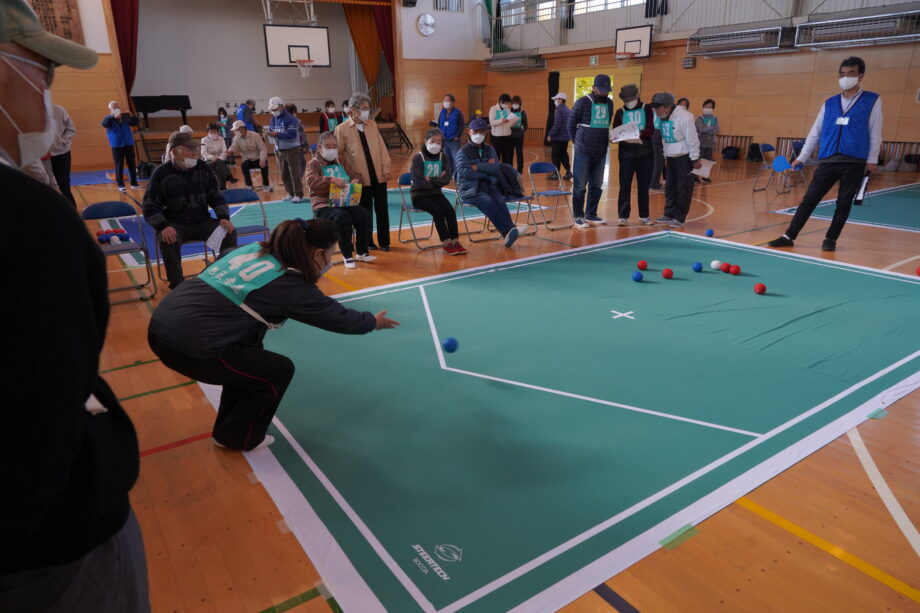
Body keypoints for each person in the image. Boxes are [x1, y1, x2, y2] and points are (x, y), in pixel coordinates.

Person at [0, 2, 149, 611]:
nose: (47, 98)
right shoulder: (26, 220)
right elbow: (48, 397)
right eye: (44, 73)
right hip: (50, 551)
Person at [147, 218, 399, 451]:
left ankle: (228, 430)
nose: (330, 262)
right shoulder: (289, 284)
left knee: (250, 359)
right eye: (330, 255)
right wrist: (371, 322)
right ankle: (240, 438)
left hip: (161, 326)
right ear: (318, 254)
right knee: (276, 371)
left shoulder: (251, 250)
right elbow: (336, 317)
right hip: (191, 347)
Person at [768, 57, 882, 252]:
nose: (846, 77)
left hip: (854, 161)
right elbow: (815, 131)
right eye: (843, 74)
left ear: (860, 76)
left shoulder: (872, 100)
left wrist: (872, 159)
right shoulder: (829, 103)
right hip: (828, 159)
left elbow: (876, 131)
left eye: (851, 74)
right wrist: (801, 157)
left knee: (844, 203)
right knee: (809, 199)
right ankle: (789, 235)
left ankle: (831, 239)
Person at [142, 130, 238, 289]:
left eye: (195, 149)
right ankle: (178, 285)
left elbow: (215, 195)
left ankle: (223, 276)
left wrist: (223, 217)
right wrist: (163, 227)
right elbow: (149, 206)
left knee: (228, 232)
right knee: (167, 240)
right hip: (175, 225)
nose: (194, 153)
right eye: (189, 149)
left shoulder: (202, 168)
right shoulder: (161, 173)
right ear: (174, 152)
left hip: (202, 221)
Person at [305, 131, 374, 269]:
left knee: (364, 215)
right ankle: (347, 255)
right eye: (328, 146)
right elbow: (313, 182)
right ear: (319, 147)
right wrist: (331, 180)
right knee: (342, 217)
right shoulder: (313, 164)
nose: (332, 149)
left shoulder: (341, 160)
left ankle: (362, 251)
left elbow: (356, 175)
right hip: (324, 204)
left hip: (344, 200)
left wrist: (356, 180)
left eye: (334, 146)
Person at [454, 117, 527, 247]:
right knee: (487, 201)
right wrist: (486, 168)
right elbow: (465, 173)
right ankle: (508, 230)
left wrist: (477, 166)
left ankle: (509, 232)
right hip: (470, 189)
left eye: (482, 132)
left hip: (488, 184)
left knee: (499, 200)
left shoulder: (489, 149)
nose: (479, 135)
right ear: (469, 131)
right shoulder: (462, 152)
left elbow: (495, 167)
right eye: (476, 131)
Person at [335, 92, 392, 251]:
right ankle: (367, 242)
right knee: (364, 214)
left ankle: (385, 242)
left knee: (382, 210)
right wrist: (350, 175)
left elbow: (382, 148)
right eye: (364, 108)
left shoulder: (372, 125)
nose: (367, 111)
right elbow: (338, 156)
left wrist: (386, 168)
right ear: (353, 109)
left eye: (368, 108)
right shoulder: (341, 129)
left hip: (378, 175)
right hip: (358, 179)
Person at [648, 92, 701, 229]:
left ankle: (679, 217)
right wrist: (666, 156)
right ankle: (669, 213)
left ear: (667, 106)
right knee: (670, 187)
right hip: (671, 158)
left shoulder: (685, 117)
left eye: (657, 107)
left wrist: (695, 158)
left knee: (683, 189)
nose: (655, 110)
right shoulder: (663, 117)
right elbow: (665, 140)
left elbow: (692, 139)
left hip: (684, 158)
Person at [567, 74, 614, 227]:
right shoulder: (582, 102)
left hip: (601, 151)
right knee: (580, 185)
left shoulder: (610, 103)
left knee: (597, 184)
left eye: (607, 90)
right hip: (583, 151)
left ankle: (591, 214)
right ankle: (578, 216)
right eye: (601, 90)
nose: (604, 92)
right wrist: (577, 143)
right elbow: (571, 124)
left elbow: (607, 122)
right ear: (594, 88)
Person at [410, 128, 465, 255]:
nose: (436, 144)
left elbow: (446, 179)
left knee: (450, 211)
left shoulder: (443, 156)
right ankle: (446, 243)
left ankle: (455, 240)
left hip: (436, 193)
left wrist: (430, 180)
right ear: (426, 141)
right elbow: (418, 182)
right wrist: (437, 179)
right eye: (432, 141)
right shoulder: (418, 158)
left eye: (439, 142)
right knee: (438, 211)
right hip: (419, 195)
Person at [612, 84, 656, 226]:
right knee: (624, 185)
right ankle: (623, 216)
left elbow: (651, 129)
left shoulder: (647, 109)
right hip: (626, 154)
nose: (629, 101)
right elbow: (616, 131)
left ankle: (644, 215)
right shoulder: (620, 112)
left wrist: (637, 134)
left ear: (636, 96)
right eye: (626, 99)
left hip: (645, 153)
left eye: (631, 98)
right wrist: (615, 137)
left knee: (643, 186)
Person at [267, 97, 304, 202]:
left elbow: (292, 134)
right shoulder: (273, 118)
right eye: (272, 110)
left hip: (292, 149)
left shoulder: (290, 118)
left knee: (294, 173)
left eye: (275, 109)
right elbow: (271, 129)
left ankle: (299, 194)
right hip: (279, 150)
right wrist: (269, 133)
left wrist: (277, 134)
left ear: (281, 106)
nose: (273, 112)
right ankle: (291, 193)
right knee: (284, 174)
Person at [101, 100, 140, 191]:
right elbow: (104, 124)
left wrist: (132, 116)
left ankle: (134, 183)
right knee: (119, 165)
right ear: (110, 109)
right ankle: (120, 185)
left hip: (128, 143)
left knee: (131, 164)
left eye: (117, 107)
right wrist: (112, 116)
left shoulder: (124, 117)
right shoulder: (108, 118)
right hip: (116, 145)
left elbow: (135, 123)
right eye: (114, 108)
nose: (116, 109)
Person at [228, 119, 271, 192]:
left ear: (242, 128)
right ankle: (249, 185)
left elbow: (262, 148)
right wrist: (230, 151)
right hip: (247, 160)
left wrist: (262, 159)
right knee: (244, 166)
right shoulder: (236, 138)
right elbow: (234, 147)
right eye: (235, 130)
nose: (235, 132)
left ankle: (266, 185)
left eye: (236, 130)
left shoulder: (255, 135)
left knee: (264, 165)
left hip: (258, 158)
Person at [49, 103, 77, 206]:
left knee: (63, 181)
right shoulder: (32, 112)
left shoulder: (59, 110)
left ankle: (71, 207)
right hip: (44, 155)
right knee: (48, 182)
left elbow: (72, 129)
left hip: (62, 152)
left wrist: (62, 141)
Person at [201, 123, 235, 190]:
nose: (213, 133)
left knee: (219, 168)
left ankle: (222, 188)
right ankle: (229, 177)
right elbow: (203, 153)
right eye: (211, 132)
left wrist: (219, 159)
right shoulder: (204, 140)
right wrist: (212, 157)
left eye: (215, 132)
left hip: (221, 161)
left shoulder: (221, 139)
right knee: (219, 164)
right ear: (208, 132)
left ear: (217, 132)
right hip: (209, 162)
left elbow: (224, 151)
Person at [547, 92, 572, 181]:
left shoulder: (559, 110)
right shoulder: (568, 110)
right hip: (565, 138)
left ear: (561, 100)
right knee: (563, 155)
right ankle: (568, 171)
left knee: (555, 155)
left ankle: (556, 173)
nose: (555, 101)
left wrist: (550, 134)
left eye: (556, 99)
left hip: (558, 138)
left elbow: (557, 125)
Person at [488, 93, 518, 165]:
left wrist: (513, 122)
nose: (507, 105)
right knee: (497, 156)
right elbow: (492, 122)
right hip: (497, 137)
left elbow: (509, 121)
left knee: (506, 157)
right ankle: (497, 173)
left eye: (508, 103)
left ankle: (505, 173)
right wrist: (501, 120)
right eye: (506, 103)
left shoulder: (508, 109)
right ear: (501, 102)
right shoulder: (493, 109)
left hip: (507, 136)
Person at [695, 98, 719, 183]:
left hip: (710, 142)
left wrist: (707, 128)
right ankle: (696, 177)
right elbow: (701, 129)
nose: (708, 108)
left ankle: (704, 176)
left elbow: (717, 130)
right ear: (703, 107)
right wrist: (711, 128)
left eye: (710, 107)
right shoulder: (699, 118)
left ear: (712, 108)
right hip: (701, 142)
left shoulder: (715, 118)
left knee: (707, 161)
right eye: (706, 107)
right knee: (699, 160)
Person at [435, 93, 464, 163]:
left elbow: (461, 125)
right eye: (444, 100)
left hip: (454, 140)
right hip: (444, 140)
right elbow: (439, 124)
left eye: (447, 100)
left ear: (452, 102)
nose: (445, 102)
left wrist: (457, 136)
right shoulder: (442, 112)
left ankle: (456, 174)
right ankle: (449, 173)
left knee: (456, 159)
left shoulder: (458, 112)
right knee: (446, 159)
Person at [509, 95, 528, 174]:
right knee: (509, 155)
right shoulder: (508, 111)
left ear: (520, 104)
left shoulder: (522, 112)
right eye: (513, 103)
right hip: (509, 137)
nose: (515, 104)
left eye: (517, 103)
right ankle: (509, 171)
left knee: (519, 155)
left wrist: (521, 128)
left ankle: (519, 173)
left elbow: (525, 125)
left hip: (519, 137)